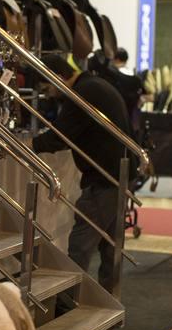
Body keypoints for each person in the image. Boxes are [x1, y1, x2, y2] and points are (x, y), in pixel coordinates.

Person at [33, 55, 133, 291]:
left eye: (47, 87)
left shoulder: (82, 94)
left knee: (81, 244)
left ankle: (71, 302)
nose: (48, 95)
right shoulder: (93, 85)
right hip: (119, 173)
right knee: (111, 247)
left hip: (104, 179)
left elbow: (61, 135)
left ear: (58, 78)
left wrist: (30, 146)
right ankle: (108, 301)